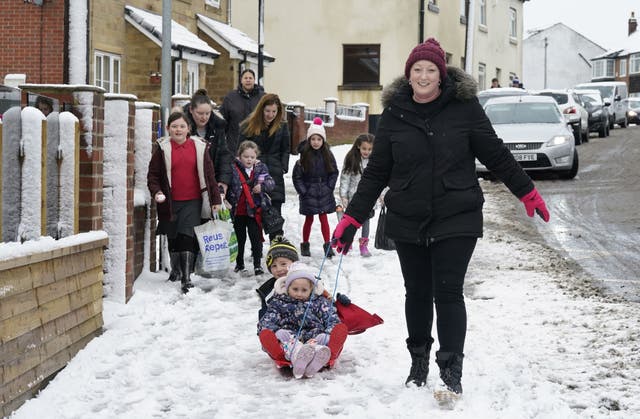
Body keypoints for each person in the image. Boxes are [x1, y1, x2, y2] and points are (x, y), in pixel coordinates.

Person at [331, 38, 550, 401]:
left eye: (430, 69)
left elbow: (495, 153)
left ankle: (450, 371)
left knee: (447, 292)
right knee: (416, 292)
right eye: (417, 70)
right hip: (407, 214)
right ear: (408, 74)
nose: (423, 76)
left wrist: (526, 191)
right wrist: (352, 219)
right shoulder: (394, 114)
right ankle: (418, 363)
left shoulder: (464, 108)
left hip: (457, 214)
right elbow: (376, 173)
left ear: (441, 74)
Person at [147, 111, 222, 293]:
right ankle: (176, 271)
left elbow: (210, 176)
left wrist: (215, 199)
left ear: (189, 128)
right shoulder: (162, 149)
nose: (178, 130)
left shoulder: (199, 148)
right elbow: (153, 175)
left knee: (187, 235)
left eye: (182, 126)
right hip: (170, 201)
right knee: (173, 236)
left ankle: (187, 277)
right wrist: (156, 191)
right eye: (174, 126)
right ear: (168, 129)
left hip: (193, 200)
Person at [257, 262, 341, 379]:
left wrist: (329, 332)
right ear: (287, 287)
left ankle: (318, 356)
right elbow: (268, 319)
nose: (299, 294)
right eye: (295, 289)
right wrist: (276, 332)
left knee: (323, 338)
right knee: (288, 341)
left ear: (311, 289)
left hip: (313, 336)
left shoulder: (319, 302)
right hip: (291, 337)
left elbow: (331, 318)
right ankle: (298, 357)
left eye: (304, 290)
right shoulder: (279, 302)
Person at [238, 93, 290, 239]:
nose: (270, 115)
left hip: (275, 175)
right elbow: (240, 149)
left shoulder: (282, 126)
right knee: (257, 215)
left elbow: (286, 149)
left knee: (275, 215)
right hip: (254, 175)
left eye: (274, 111)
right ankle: (257, 250)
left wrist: (283, 166)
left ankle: (276, 248)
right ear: (261, 109)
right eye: (268, 111)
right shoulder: (248, 126)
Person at [227, 140, 275, 276]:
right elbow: (228, 183)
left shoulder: (261, 168)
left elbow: (271, 182)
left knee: (256, 238)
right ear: (240, 156)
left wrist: (262, 186)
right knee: (239, 238)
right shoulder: (233, 168)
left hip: (254, 210)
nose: (249, 160)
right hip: (238, 210)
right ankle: (239, 263)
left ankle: (257, 265)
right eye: (246, 157)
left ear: (256, 157)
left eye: (252, 157)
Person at [292, 117, 339, 258]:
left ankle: (327, 245)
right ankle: (305, 244)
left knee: (324, 218)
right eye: (313, 139)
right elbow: (297, 177)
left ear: (323, 140)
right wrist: (303, 191)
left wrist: (329, 187)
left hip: (324, 190)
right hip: (309, 192)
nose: (316, 142)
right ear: (309, 140)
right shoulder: (303, 156)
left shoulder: (327, 155)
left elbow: (334, 172)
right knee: (309, 219)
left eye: (319, 139)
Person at [183, 89, 233, 194]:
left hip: (212, 182)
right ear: (191, 110)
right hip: (188, 183)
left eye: (207, 113)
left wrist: (223, 181)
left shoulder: (218, 127)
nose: (204, 117)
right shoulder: (181, 127)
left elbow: (224, 155)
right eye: (200, 113)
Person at [339, 133, 375, 257]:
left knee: (366, 221)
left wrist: (381, 194)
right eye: (364, 148)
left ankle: (363, 244)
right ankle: (348, 242)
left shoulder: (374, 161)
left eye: (370, 149)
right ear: (359, 146)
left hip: (368, 198)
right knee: (351, 221)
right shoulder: (352, 159)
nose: (367, 152)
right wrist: (343, 195)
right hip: (353, 197)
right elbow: (345, 178)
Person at [220, 69, 265, 154]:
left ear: (254, 80)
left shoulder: (262, 97)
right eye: (245, 78)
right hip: (235, 144)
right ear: (241, 80)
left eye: (250, 78)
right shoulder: (230, 97)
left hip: (257, 144)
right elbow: (223, 120)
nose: (248, 80)